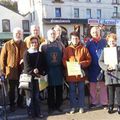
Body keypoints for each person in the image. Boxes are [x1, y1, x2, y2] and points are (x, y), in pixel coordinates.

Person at [62, 32, 91, 114]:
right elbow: (64, 60)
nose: (75, 40)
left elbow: (89, 60)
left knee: (81, 91)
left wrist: (82, 64)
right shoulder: (67, 49)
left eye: (76, 38)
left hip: (81, 75)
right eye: (73, 38)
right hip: (71, 74)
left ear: (79, 39)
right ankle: (73, 107)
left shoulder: (84, 48)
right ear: (70, 39)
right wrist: (69, 65)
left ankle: (81, 106)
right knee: (72, 91)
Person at [0, 27, 27, 112]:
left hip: (22, 70)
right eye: (16, 33)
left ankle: (20, 103)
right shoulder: (7, 44)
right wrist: (2, 71)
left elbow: (27, 55)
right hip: (11, 71)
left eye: (20, 33)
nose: (18, 35)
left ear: (22, 35)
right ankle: (12, 104)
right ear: (13, 34)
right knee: (11, 89)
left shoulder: (24, 44)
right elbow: (2, 59)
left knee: (22, 88)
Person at [40, 29, 64, 114]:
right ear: (48, 35)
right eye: (51, 34)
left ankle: (58, 105)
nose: (52, 35)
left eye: (54, 34)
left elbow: (64, 56)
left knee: (59, 89)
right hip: (48, 70)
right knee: (49, 90)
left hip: (58, 70)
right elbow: (41, 58)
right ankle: (50, 106)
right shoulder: (43, 45)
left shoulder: (60, 44)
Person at [23, 36, 46, 118]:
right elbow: (26, 67)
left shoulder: (40, 53)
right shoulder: (26, 53)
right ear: (29, 43)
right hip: (28, 78)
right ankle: (30, 114)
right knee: (29, 97)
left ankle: (38, 112)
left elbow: (43, 65)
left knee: (36, 97)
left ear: (38, 43)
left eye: (35, 42)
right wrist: (33, 71)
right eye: (32, 42)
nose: (34, 44)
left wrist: (40, 71)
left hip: (37, 78)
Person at [86, 26, 108, 108]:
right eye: (93, 32)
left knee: (103, 86)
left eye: (97, 31)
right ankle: (94, 102)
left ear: (100, 32)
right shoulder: (89, 43)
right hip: (92, 67)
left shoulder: (104, 42)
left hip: (102, 67)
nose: (95, 33)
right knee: (93, 86)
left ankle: (104, 102)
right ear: (91, 33)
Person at [99, 33, 120, 114]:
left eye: (113, 41)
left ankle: (119, 106)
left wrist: (117, 66)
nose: (112, 43)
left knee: (118, 92)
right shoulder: (105, 51)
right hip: (109, 75)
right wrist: (106, 67)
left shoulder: (119, 50)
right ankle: (110, 106)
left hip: (118, 74)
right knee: (110, 92)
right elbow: (100, 61)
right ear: (107, 42)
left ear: (116, 41)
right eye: (110, 41)